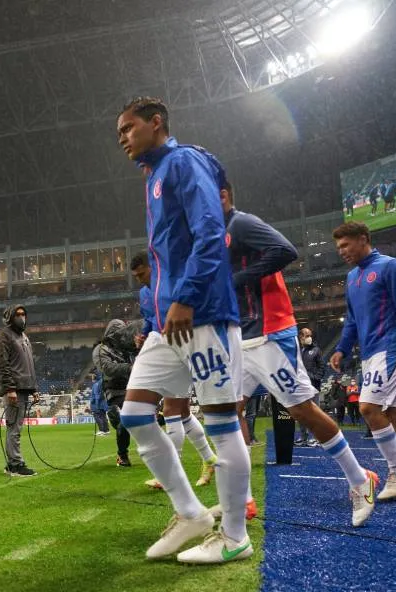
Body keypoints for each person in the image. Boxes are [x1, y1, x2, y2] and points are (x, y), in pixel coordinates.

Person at [115, 96, 251, 564]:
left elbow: (210, 231)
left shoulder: (184, 161)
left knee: (222, 423)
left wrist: (187, 296)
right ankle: (191, 513)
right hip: (166, 323)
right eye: (119, 133)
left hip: (202, 313)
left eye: (128, 128)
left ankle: (235, 536)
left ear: (156, 123)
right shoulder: (154, 175)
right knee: (135, 415)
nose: (122, 138)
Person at [223, 185, 376, 527]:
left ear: (221, 195)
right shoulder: (216, 235)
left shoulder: (241, 223)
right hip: (241, 335)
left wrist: (237, 280)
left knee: (301, 410)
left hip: (269, 332)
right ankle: (242, 499)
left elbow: (285, 250)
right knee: (228, 412)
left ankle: (359, 480)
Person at [330, 221, 396, 502]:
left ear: (363, 239)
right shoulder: (352, 278)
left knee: (368, 407)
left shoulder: (390, 266)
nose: (341, 251)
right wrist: (342, 348)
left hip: (392, 347)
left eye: (345, 245)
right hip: (369, 353)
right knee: (394, 413)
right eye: (338, 247)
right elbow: (351, 320)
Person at [131, 251, 219, 489]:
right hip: (162, 347)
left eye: (142, 274)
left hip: (184, 346)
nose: (140, 280)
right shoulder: (145, 293)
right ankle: (209, 458)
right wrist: (143, 335)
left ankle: (170, 472)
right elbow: (151, 318)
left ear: (153, 267)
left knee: (171, 410)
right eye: (136, 276)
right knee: (182, 413)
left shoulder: (173, 283)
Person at [0, 304, 38, 477]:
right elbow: (2, 363)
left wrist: (34, 389)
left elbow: (29, 365)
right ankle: (15, 465)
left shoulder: (24, 336)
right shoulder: (4, 335)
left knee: (17, 428)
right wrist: (10, 388)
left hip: (25, 388)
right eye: (18, 314)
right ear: (10, 317)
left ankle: (13, 463)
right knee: (14, 429)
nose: (22, 317)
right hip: (14, 389)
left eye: (23, 314)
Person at [92, 319, 137, 467]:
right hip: (115, 391)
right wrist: (129, 367)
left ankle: (125, 452)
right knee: (125, 421)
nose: (123, 336)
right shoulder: (100, 349)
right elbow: (107, 368)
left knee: (147, 417)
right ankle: (122, 455)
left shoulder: (128, 347)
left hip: (133, 387)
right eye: (121, 334)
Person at [297, 327, 327, 446]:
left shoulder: (316, 350)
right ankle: (303, 438)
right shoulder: (298, 351)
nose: (309, 338)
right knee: (302, 414)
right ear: (301, 337)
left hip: (313, 387)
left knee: (315, 413)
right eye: (306, 335)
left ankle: (318, 438)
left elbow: (322, 367)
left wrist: (315, 377)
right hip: (301, 387)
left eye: (310, 335)